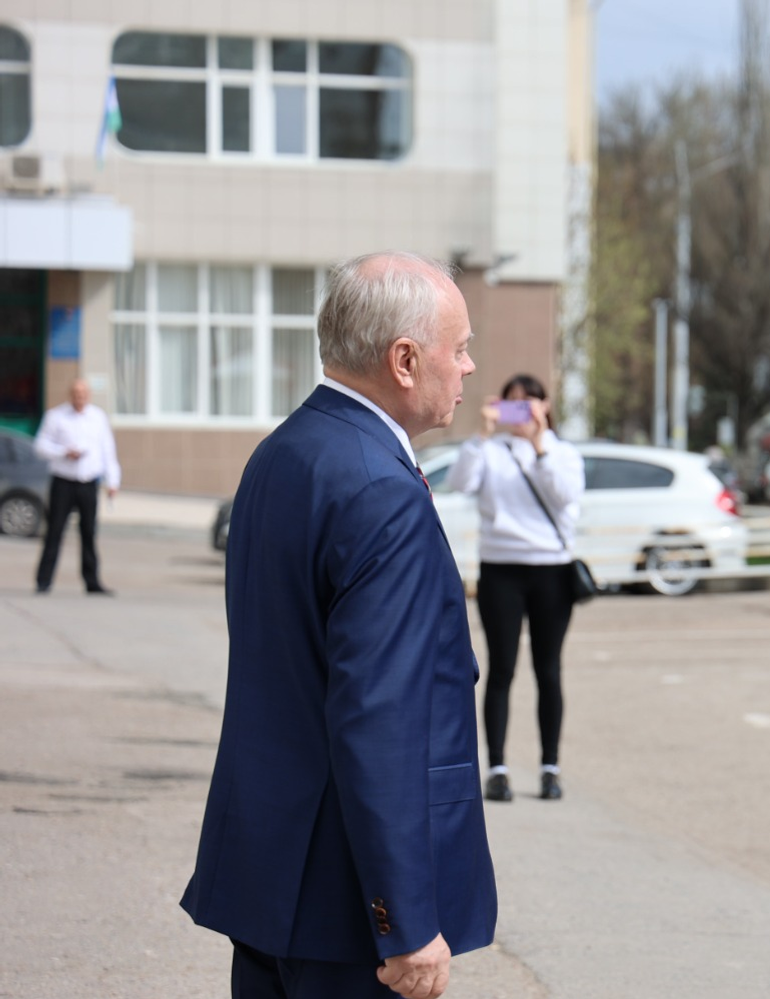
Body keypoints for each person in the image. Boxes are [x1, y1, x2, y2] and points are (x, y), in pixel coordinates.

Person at [180, 251, 497, 999]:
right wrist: (405, 919)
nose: (469, 366)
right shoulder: (380, 487)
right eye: (459, 347)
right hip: (347, 905)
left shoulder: (283, 451)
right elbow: (379, 717)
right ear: (405, 360)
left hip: (271, 873)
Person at [449, 373, 585, 803]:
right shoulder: (490, 451)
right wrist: (482, 433)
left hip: (551, 570)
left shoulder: (562, 453)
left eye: (529, 402)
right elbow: (460, 483)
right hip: (500, 569)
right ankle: (498, 769)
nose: (521, 410)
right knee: (501, 669)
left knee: (549, 669)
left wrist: (540, 445)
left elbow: (565, 496)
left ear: (546, 406)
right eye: (513, 402)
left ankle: (550, 768)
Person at [33, 377, 120, 595]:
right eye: (76, 394)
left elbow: (107, 450)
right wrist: (63, 452)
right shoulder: (56, 416)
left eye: (83, 394)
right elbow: (40, 446)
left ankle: (92, 581)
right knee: (55, 530)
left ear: (88, 396)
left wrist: (113, 481)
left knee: (89, 532)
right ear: (71, 395)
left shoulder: (98, 417)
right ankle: (44, 581)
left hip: (88, 482)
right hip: (63, 481)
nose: (80, 398)